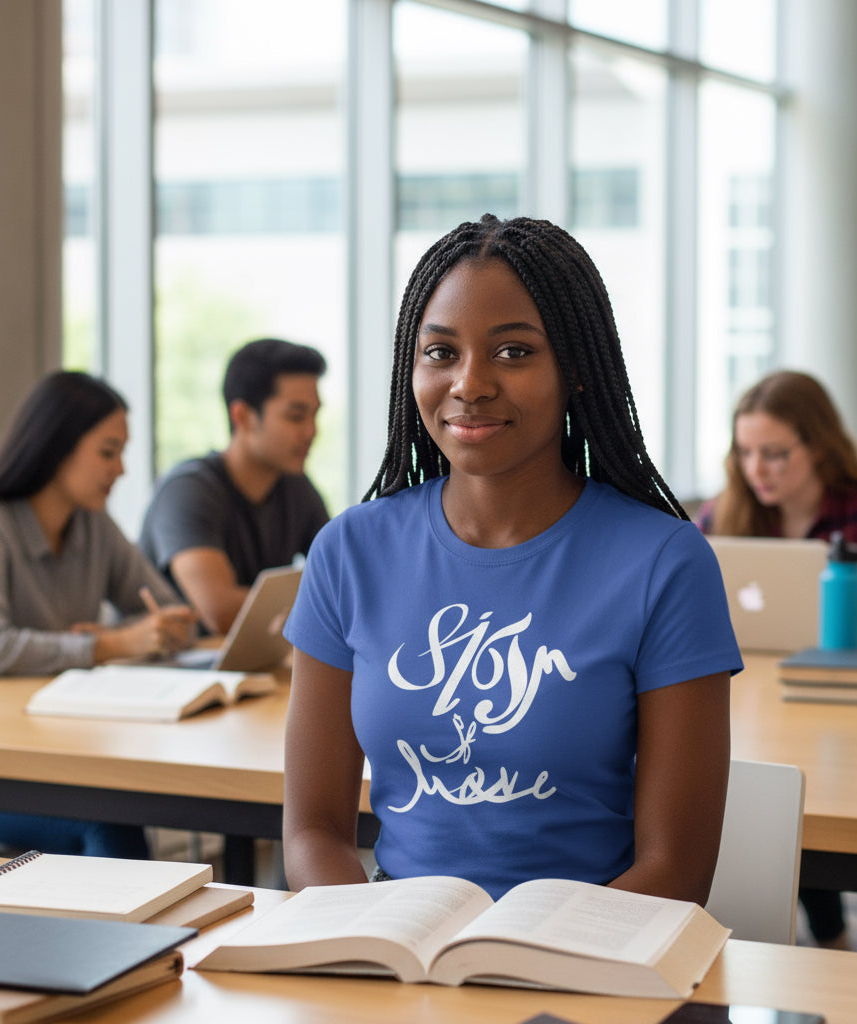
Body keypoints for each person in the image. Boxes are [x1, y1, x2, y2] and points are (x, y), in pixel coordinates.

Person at [281, 214, 742, 903]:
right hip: (398, 964)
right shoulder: (349, 552)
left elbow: (675, 871)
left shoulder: (666, 564)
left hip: (586, 967)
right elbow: (313, 831)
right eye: (441, 353)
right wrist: (371, 939)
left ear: (577, 371)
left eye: (514, 353)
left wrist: (515, 966)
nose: (470, 383)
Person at [697, 367, 857, 949]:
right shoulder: (726, 511)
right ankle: (809, 941)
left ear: (818, 444)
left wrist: (836, 616)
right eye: (746, 452)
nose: (758, 470)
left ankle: (828, 939)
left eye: (775, 453)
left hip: (844, 711)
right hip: (756, 700)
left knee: (793, 790)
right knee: (751, 782)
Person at [0, 370, 195, 857]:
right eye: (107, 452)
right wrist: (113, 643)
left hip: (56, 753)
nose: (121, 470)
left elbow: (168, 611)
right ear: (55, 447)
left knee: (121, 811)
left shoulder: (93, 525)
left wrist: (145, 630)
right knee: (110, 825)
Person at [140, 337, 330, 636]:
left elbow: (346, 581)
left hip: (245, 670)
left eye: (315, 414)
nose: (311, 431)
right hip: (171, 670)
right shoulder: (188, 490)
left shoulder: (296, 488)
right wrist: (321, 603)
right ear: (242, 416)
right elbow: (221, 613)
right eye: (296, 416)